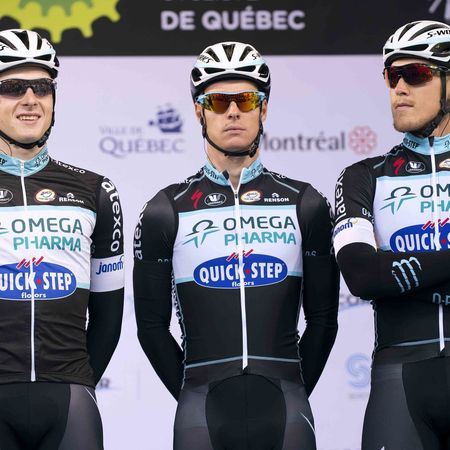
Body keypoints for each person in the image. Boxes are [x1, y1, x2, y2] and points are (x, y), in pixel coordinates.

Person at [134, 41, 339, 449]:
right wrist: (194, 392)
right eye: (218, 101)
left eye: (245, 100)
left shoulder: (306, 203)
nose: (232, 111)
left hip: (285, 405)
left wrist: (292, 388)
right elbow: (151, 328)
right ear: (199, 111)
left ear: (264, 109)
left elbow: (323, 321)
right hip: (202, 408)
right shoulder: (165, 209)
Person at [0, 29, 124, 449]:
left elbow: (108, 316)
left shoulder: (95, 190)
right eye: (12, 88)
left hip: (69, 398)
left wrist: (79, 381)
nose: (30, 99)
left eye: (42, 87)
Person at [334, 19, 450, 450]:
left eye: (415, 74)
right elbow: (363, 275)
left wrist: (400, 271)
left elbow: (385, 273)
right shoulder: (363, 176)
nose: (399, 88)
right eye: (391, 75)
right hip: (400, 382)